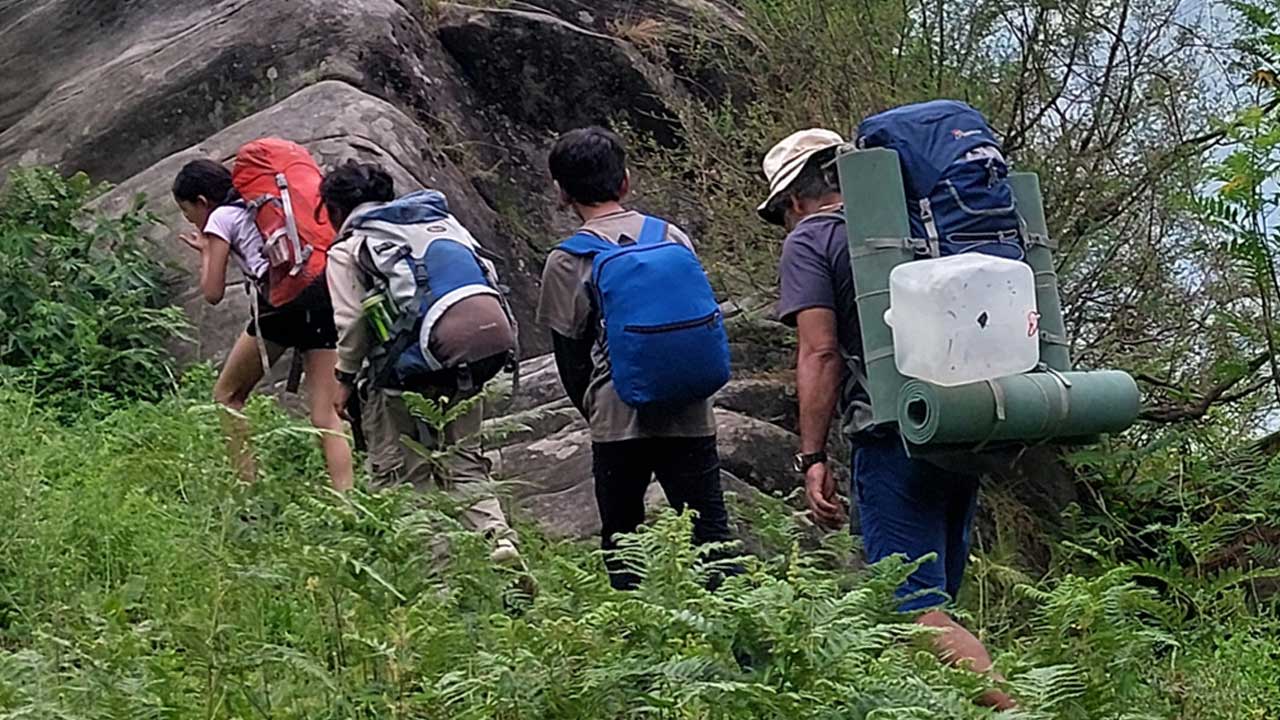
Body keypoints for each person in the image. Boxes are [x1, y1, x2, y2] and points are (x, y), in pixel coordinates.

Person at [759, 129, 1015, 710]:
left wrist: (814, 457)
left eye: (781, 212)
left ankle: (1019, 711)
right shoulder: (919, 226)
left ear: (795, 198)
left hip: (890, 432)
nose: (785, 223)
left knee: (909, 610)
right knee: (934, 600)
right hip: (962, 421)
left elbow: (819, 353)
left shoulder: (812, 241)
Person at [536, 126, 734, 590]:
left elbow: (570, 356)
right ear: (625, 181)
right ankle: (742, 642)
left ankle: (637, 635)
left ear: (561, 194)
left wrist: (593, 408)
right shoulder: (671, 236)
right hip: (690, 407)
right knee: (711, 536)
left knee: (624, 536)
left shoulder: (567, 260)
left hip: (617, 416)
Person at [320, 160, 522, 566]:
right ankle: (498, 541)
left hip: (403, 376)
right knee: (465, 467)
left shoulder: (349, 250)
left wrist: (342, 378)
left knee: (404, 479)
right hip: (469, 357)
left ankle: (437, 583)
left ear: (334, 211)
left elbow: (352, 322)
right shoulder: (442, 228)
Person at [172, 159, 354, 491]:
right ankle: (348, 503)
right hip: (320, 296)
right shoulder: (260, 206)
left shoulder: (221, 218)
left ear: (202, 202)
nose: (194, 222)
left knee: (227, 396)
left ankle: (248, 492)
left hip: (280, 309)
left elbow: (212, 293)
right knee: (325, 415)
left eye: (189, 214)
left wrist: (206, 253)